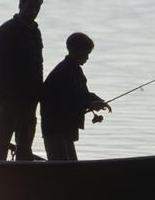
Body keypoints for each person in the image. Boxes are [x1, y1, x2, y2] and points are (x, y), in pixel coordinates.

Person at [0, 0, 44, 161]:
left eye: (37, 7)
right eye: (30, 6)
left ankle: (21, 183)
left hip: (30, 103)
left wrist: (37, 93)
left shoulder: (35, 32)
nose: (34, 10)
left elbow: (38, 66)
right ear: (20, 5)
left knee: (25, 150)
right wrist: (10, 94)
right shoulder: (5, 31)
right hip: (8, 102)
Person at [40, 32, 111, 161]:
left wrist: (97, 100)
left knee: (71, 167)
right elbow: (64, 102)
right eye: (86, 54)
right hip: (55, 130)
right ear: (76, 51)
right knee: (64, 170)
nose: (87, 58)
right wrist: (89, 104)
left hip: (66, 130)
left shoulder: (75, 70)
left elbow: (82, 94)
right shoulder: (62, 72)